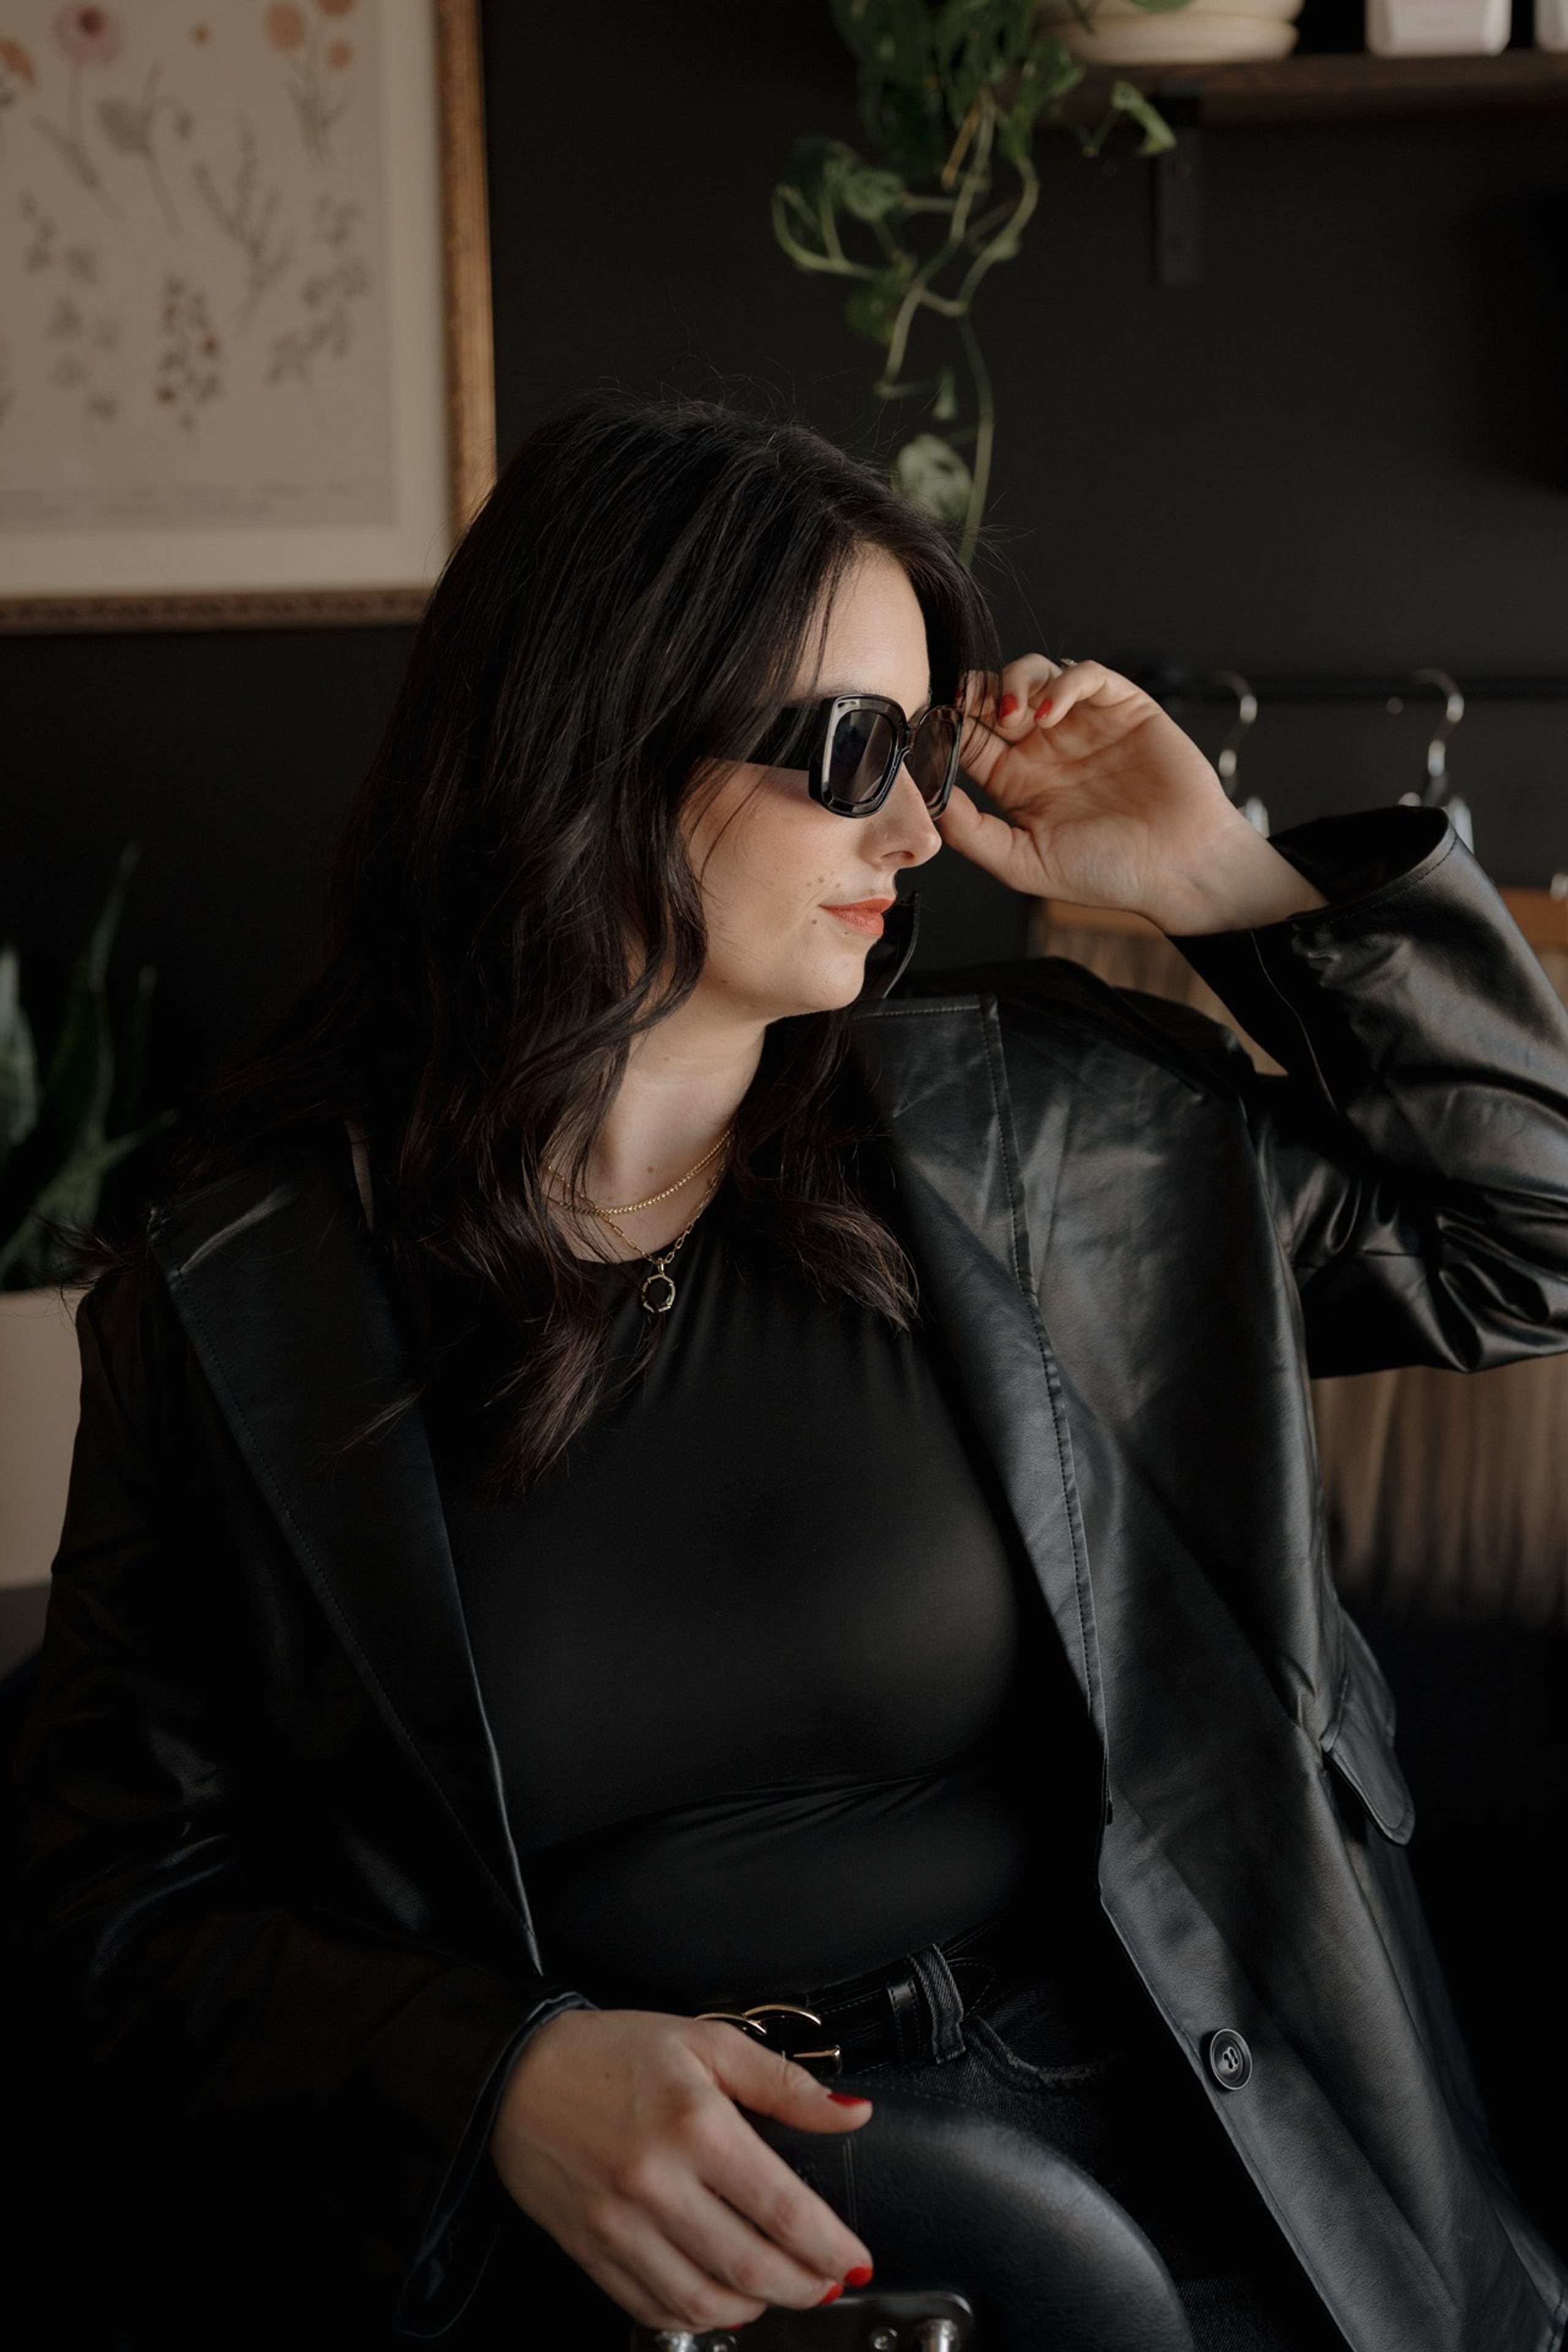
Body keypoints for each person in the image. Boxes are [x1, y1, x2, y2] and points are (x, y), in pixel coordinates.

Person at [10, 387, 1568, 2352]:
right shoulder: (240, 1299)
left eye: (918, 752)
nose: (915, 828)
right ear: (595, 741)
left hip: (1165, 2167)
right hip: (620, 2248)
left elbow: (1533, 1234)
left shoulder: (1044, 1145)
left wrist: (1227, 884)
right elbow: (110, 1897)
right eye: (850, 755)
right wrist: (496, 2079)